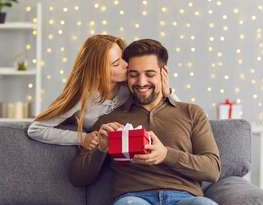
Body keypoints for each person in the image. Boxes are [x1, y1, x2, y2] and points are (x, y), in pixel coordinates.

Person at [70, 39, 221, 205]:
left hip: (186, 198)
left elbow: (212, 170)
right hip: (134, 199)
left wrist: (166, 155)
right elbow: (78, 178)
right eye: (133, 75)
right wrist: (101, 149)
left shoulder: (191, 113)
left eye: (150, 74)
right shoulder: (110, 119)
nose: (141, 83)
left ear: (163, 74)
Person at [27, 34, 171, 150]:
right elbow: (36, 129)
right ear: (98, 73)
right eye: (116, 63)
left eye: (123, 58)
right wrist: (82, 138)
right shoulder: (83, 97)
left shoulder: (131, 86)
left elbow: (176, 115)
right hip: (101, 154)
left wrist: (166, 92)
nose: (127, 65)